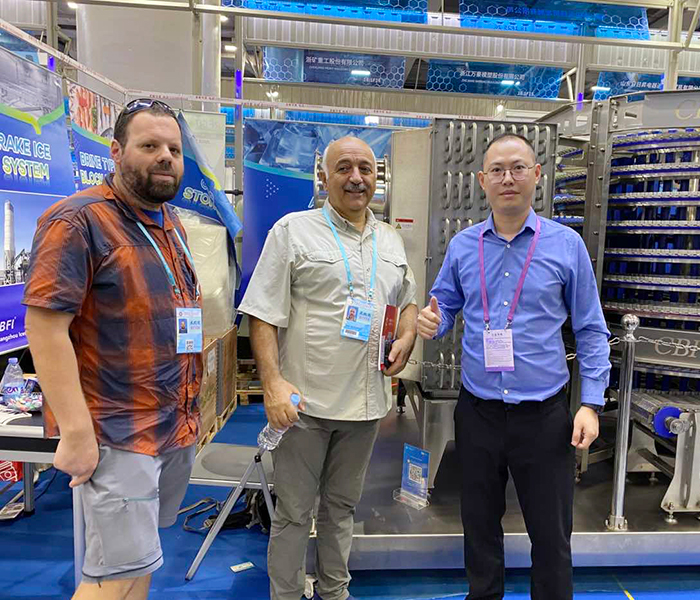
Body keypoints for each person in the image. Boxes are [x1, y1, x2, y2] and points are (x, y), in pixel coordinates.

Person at [417, 133, 610, 600]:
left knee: (551, 533)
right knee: (479, 526)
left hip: (543, 417)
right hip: (478, 412)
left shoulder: (566, 246)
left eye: (518, 168)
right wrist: (433, 321)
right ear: (482, 179)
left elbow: (591, 329)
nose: (508, 178)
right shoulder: (464, 246)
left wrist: (590, 403)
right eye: (498, 170)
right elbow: (445, 305)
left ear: (536, 175)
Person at [23, 99, 201, 600]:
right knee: (111, 578)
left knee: (140, 562)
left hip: (170, 424)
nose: (165, 157)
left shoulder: (169, 222)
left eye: (173, 149)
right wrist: (76, 431)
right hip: (117, 432)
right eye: (150, 146)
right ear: (117, 152)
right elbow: (45, 328)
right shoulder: (77, 221)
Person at [239, 136, 418, 600]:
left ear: (377, 177)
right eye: (344, 168)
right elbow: (261, 313)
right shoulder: (293, 231)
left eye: (365, 169)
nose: (356, 178)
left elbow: (408, 301)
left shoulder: (391, 239)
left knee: (342, 507)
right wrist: (272, 384)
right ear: (323, 176)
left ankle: (335, 591)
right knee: (294, 513)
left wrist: (406, 338)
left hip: (366, 405)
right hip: (304, 406)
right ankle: (286, 594)